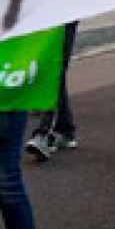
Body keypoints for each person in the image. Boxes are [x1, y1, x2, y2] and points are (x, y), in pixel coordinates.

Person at [25, 20, 80, 161]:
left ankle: (44, 133)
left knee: (53, 69)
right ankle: (64, 129)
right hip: (44, 10)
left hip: (62, 10)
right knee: (51, 69)